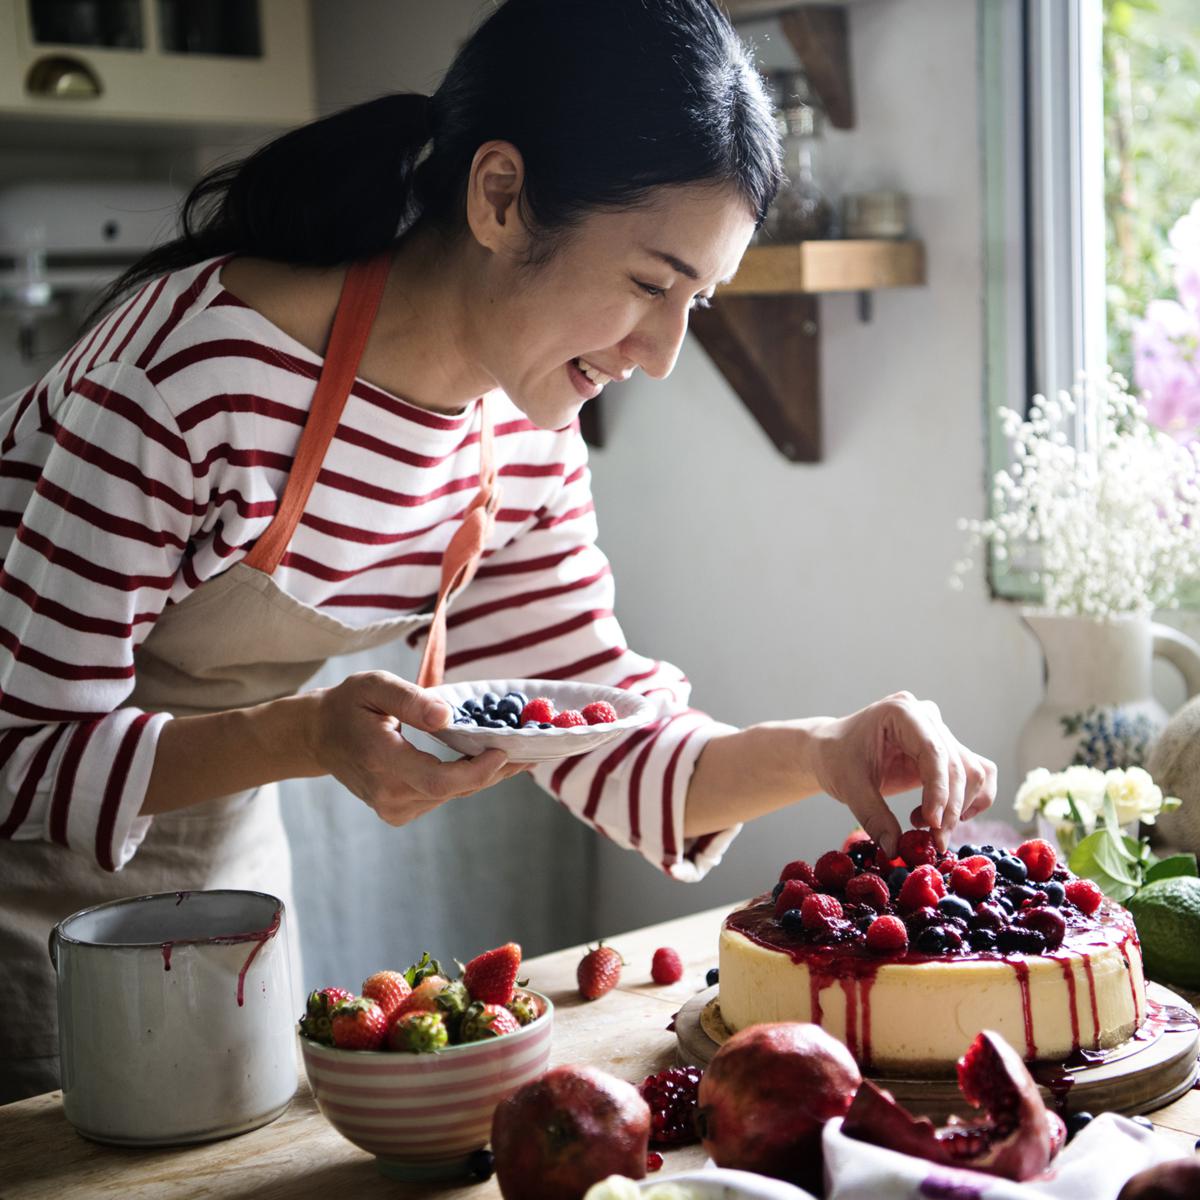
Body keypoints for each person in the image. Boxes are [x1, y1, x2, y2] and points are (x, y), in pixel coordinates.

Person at [0, 0, 996, 1104]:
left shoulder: (521, 434)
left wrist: (818, 750)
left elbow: (603, 734)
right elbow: (23, 753)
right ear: (500, 196)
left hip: (214, 869)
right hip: (21, 887)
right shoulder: (201, 378)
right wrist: (300, 732)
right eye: (650, 284)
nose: (664, 355)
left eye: (696, 302)